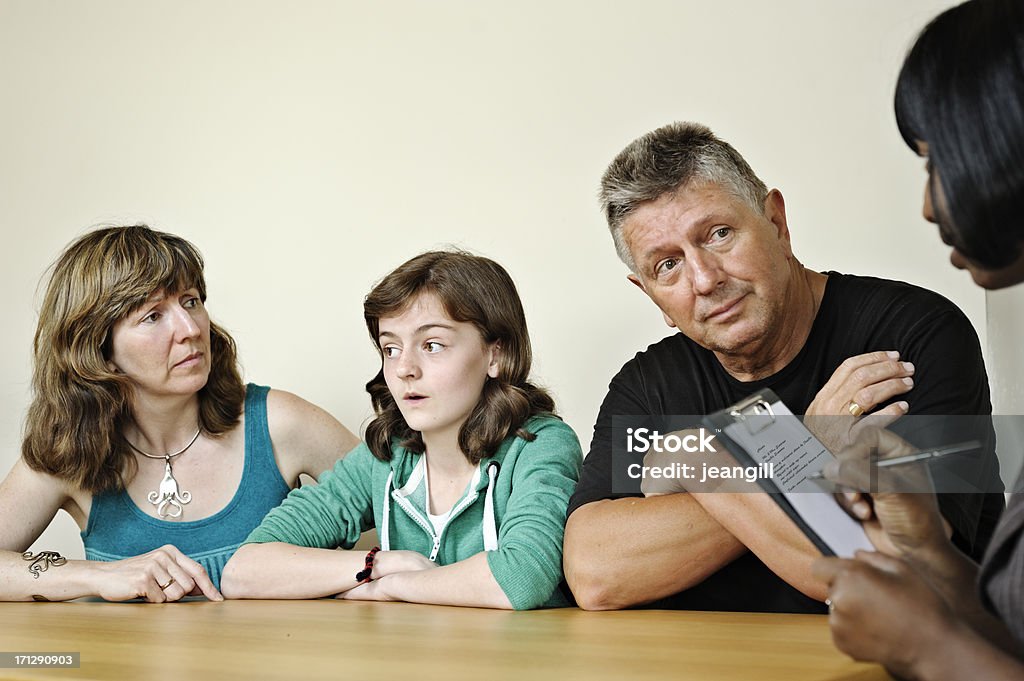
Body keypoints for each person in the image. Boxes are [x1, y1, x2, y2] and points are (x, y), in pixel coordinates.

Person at [563, 121, 1005, 613]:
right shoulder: (647, 386)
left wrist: (708, 464)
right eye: (667, 265)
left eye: (719, 234)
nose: (705, 280)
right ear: (651, 296)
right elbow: (594, 571)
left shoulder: (915, 334)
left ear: (776, 222)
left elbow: (905, 572)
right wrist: (803, 448)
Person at [813, 1, 1024, 677]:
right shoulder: (649, 376)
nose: (928, 205)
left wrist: (925, 645)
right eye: (666, 264)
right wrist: (928, 546)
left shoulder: (921, 331)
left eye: (936, 161)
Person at [0, 225, 359, 602]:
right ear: (97, 347)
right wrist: (97, 576)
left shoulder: (280, 422)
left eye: (190, 301)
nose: (190, 328)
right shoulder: (66, 451)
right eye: (153, 316)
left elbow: (412, 508)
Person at [222, 250, 582, 609]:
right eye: (391, 348)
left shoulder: (540, 445)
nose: (404, 368)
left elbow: (522, 578)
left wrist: (389, 587)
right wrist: (380, 564)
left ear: (496, 355)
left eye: (433, 345)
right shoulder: (385, 457)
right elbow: (244, 570)